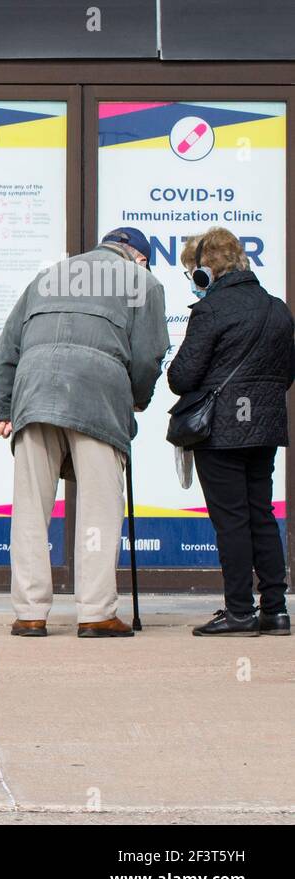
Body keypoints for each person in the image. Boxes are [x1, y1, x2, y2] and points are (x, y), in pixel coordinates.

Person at [0, 227, 169, 637]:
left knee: (31, 506)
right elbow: (148, 355)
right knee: (99, 508)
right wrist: (136, 399)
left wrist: (0, 404)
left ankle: (30, 613)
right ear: (138, 258)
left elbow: (6, 349)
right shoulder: (144, 281)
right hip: (97, 393)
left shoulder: (48, 275)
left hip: (33, 392)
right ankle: (95, 612)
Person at [167, 227, 294, 636]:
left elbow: (182, 376)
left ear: (206, 271)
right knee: (260, 514)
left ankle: (239, 612)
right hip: (265, 427)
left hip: (220, 430)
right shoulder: (278, 308)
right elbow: (286, 373)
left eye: (193, 271)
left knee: (231, 520)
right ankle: (275, 610)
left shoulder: (212, 310)